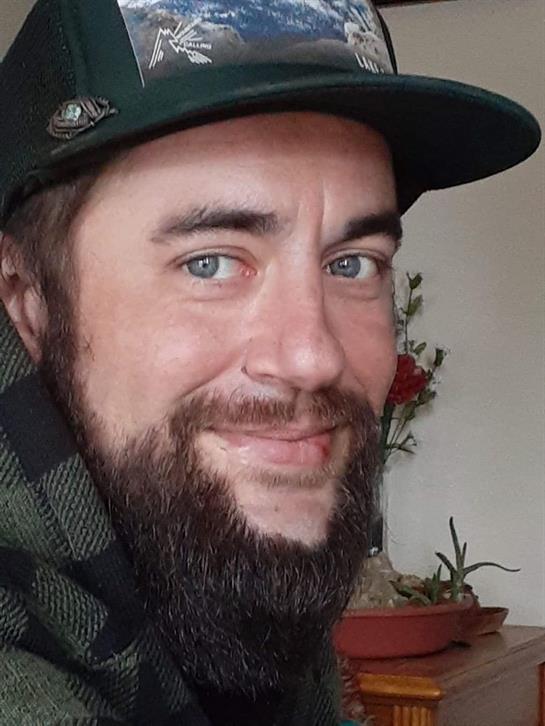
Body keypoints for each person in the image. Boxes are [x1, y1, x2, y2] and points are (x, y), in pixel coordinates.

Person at [0, 0, 539, 724]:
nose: (312, 357)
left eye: (352, 263)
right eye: (211, 263)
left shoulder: (242, 634)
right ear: (26, 298)